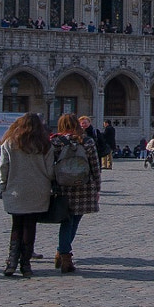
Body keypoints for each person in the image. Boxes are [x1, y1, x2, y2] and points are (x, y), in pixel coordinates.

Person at [0, 113, 56, 277]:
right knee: (30, 225)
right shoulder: (45, 145)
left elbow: (3, 167)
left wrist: (2, 185)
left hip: (16, 189)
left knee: (16, 225)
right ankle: (26, 264)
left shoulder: (10, 143)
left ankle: (11, 261)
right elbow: (51, 171)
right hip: (38, 190)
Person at [52, 112, 101, 272]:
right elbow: (95, 166)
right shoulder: (87, 141)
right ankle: (64, 253)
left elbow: (49, 165)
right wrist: (97, 187)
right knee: (74, 221)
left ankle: (63, 252)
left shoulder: (56, 142)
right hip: (83, 187)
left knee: (67, 221)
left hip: (63, 187)